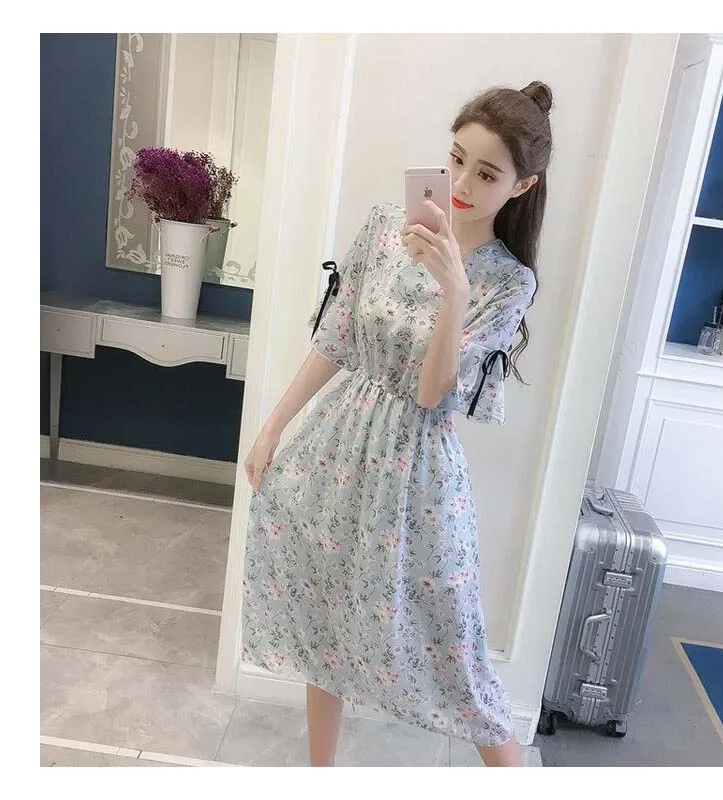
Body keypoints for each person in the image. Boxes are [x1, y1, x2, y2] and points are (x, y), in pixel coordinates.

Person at [242, 80, 553, 767]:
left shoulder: (508, 283)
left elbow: (434, 393)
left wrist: (456, 290)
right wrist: (273, 427)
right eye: (457, 159)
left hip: (420, 475)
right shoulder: (388, 227)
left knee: (460, 658)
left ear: (523, 186)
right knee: (324, 619)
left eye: (487, 173)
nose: (462, 183)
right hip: (336, 449)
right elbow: (338, 337)